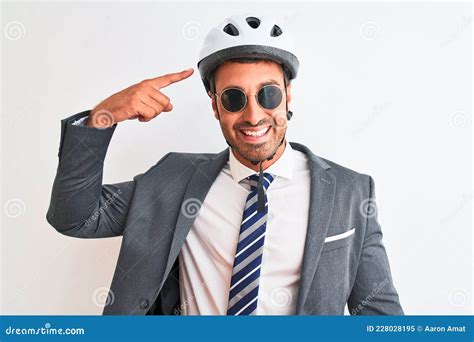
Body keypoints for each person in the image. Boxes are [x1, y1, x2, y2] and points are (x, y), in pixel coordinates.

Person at [46, 14, 403, 315]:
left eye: (268, 94)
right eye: (234, 98)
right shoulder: (173, 181)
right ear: (215, 106)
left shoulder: (351, 191)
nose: (253, 115)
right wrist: (102, 119)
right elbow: (75, 216)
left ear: (288, 95)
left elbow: (380, 316)